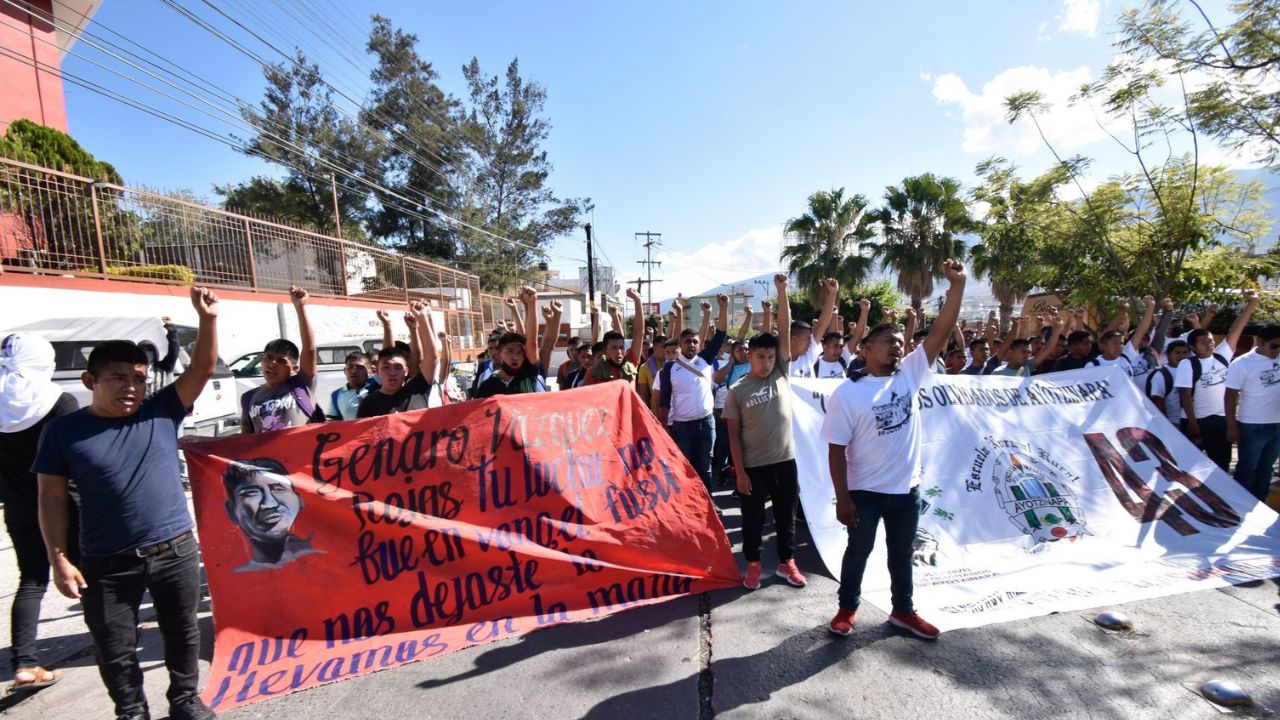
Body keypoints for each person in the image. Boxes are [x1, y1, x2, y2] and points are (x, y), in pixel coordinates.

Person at [35, 286, 221, 720]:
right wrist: (59, 559)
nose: (131, 387)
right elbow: (50, 498)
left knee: (182, 634)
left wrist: (208, 319)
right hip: (105, 562)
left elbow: (203, 366)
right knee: (115, 648)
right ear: (90, 381)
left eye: (138, 378)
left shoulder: (161, 410)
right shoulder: (63, 432)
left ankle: (185, 701)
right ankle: (132, 711)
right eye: (118, 378)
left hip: (175, 550)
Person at [821, 259, 967, 641]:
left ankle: (903, 611)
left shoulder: (910, 375)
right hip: (865, 495)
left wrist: (957, 286)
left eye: (902, 344)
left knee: (901, 557)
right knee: (858, 554)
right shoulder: (848, 394)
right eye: (890, 342)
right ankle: (846, 610)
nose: (898, 348)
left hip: (907, 493)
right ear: (866, 348)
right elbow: (836, 451)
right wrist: (843, 499)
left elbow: (942, 330)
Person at [0, 333, 79, 694]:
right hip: (65, 507)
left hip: (20, 509)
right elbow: (76, 459)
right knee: (88, 569)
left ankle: (25, 662)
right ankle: (110, 638)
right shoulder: (58, 401)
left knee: (32, 580)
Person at [724, 273, 806, 590]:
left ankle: (787, 563)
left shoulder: (782, 373)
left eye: (771, 357)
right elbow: (732, 435)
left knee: (786, 517)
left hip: (785, 461)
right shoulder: (739, 390)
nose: (767, 362)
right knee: (753, 521)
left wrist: (782, 291)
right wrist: (740, 473)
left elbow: (784, 328)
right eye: (761, 357)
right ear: (749, 357)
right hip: (754, 468)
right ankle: (754, 565)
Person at [1177, 290, 1259, 471]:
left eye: (1211, 340)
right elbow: (1185, 395)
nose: (1209, 344)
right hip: (1197, 421)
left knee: (1222, 465)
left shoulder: (1222, 356)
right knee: (1190, 468)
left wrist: (1251, 304)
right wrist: (1192, 422)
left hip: (1220, 421)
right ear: (1193, 347)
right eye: (1204, 342)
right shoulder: (1187, 364)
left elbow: (1235, 330)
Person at [658, 294, 729, 492]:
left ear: (699, 344)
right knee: (684, 467)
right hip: (683, 427)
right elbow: (664, 402)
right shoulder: (669, 369)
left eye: (695, 342)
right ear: (680, 343)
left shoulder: (705, 359)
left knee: (705, 467)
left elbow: (721, 333)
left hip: (706, 424)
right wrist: (664, 427)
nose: (691, 345)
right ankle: (686, 508)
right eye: (687, 341)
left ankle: (708, 506)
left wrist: (723, 308)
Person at [241, 286, 322, 433]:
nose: (272, 364)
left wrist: (300, 307)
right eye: (268, 358)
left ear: (295, 368)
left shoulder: (301, 385)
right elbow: (245, 440)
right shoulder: (248, 398)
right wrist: (206, 443)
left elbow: (309, 349)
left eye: (281, 361)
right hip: (267, 456)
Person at [222, 458, 318, 572]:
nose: (269, 504)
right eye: (251, 493)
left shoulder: (328, 560)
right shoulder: (236, 578)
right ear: (231, 510)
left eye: (278, 489)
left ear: (300, 500)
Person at [1225, 324, 1280, 501]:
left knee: (1266, 469)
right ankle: (1240, 506)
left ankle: (1260, 506)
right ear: (1260, 341)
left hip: (1277, 425)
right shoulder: (1242, 364)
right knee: (1247, 470)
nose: (1277, 350)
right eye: (1274, 346)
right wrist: (1231, 426)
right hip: (1252, 426)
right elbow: (1230, 396)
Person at [473, 289, 560, 398]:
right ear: (499, 353)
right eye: (510, 351)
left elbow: (531, 340)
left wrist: (532, 303)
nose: (515, 356)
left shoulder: (528, 375)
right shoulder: (487, 386)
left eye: (520, 353)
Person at [358, 302, 439, 417]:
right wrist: (387, 324)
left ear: (406, 370)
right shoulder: (368, 404)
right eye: (386, 367)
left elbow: (432, 357)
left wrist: (422, 318)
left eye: (398, 367)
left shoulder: (417, 390)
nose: (392, 373)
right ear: (377, 370)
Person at [585, 288, 646, 387]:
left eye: (621, 348)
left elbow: (638, 333)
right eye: (613, 348)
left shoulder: (630, 362)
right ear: (604, 350)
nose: (619, 352)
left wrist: (637, 300)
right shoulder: (593, 372)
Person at [1087, 297, 1156, 383]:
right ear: (1104, 344)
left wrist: (1150, 307)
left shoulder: (1125, 356)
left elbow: (1140, 331)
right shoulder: (1093, 365)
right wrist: (1123, 312)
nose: (1119, 347)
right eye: (1115, 344)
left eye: (1121, 343)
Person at [788, 278, 838, 378]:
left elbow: (822, 325)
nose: (810, 342)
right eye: (807, 338)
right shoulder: (780, 361)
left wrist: (832, 293)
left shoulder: (808, 354)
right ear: (794, 339)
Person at [1147, 339, 1190, 431]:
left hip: (1191, 421)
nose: (1181, 356)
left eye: (1185, 352)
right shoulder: (1161, 374)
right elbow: (1159, 401)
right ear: (1168, 355)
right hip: (1173, 423)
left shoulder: (1192, 370)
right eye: (1177, 353)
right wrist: (1167, 427)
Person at [326, 352, 376, 420]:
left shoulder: (377, 385)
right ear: (345, 371)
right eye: (350, 367)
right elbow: (333, 422)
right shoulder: (336, 395)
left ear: (370, 372)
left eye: (359, 367)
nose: (354, 371)